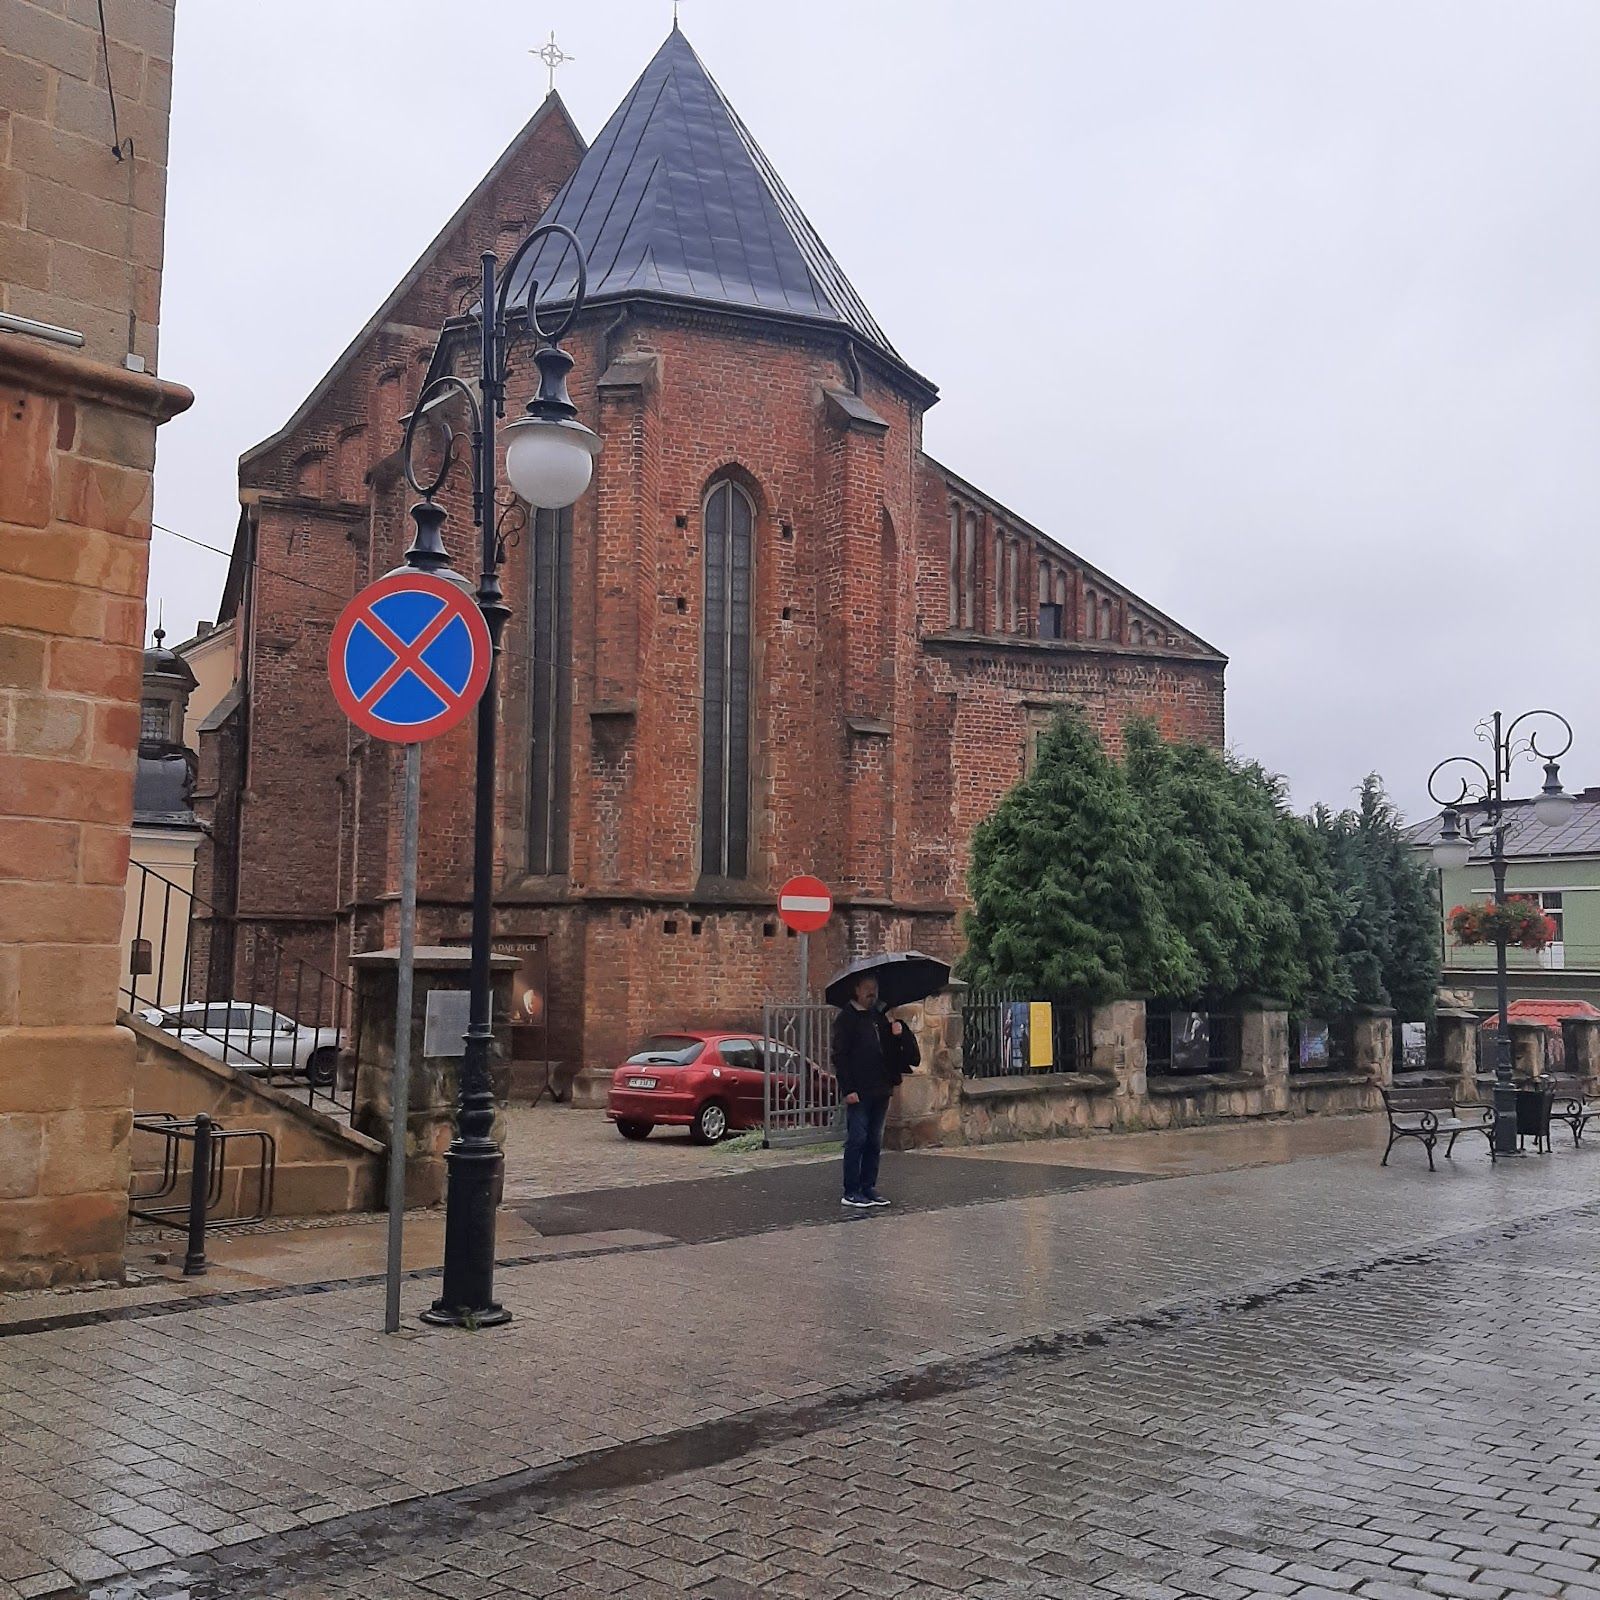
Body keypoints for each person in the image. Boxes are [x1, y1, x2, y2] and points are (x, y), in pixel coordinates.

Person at [831, 973, 920, 1208]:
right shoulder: (846, 1019)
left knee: (874, 1140)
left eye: (875, 988)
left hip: (881, 1087)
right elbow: (840, 1056)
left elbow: (893, 1051)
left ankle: (868, 1187)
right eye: (868, 988)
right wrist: (848, 1088)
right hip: (859, 1090)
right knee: (857, 1139)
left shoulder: (878, 1017)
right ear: (857, 990)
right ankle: (851, 1190)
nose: (873, 993)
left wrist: (898, 1034)